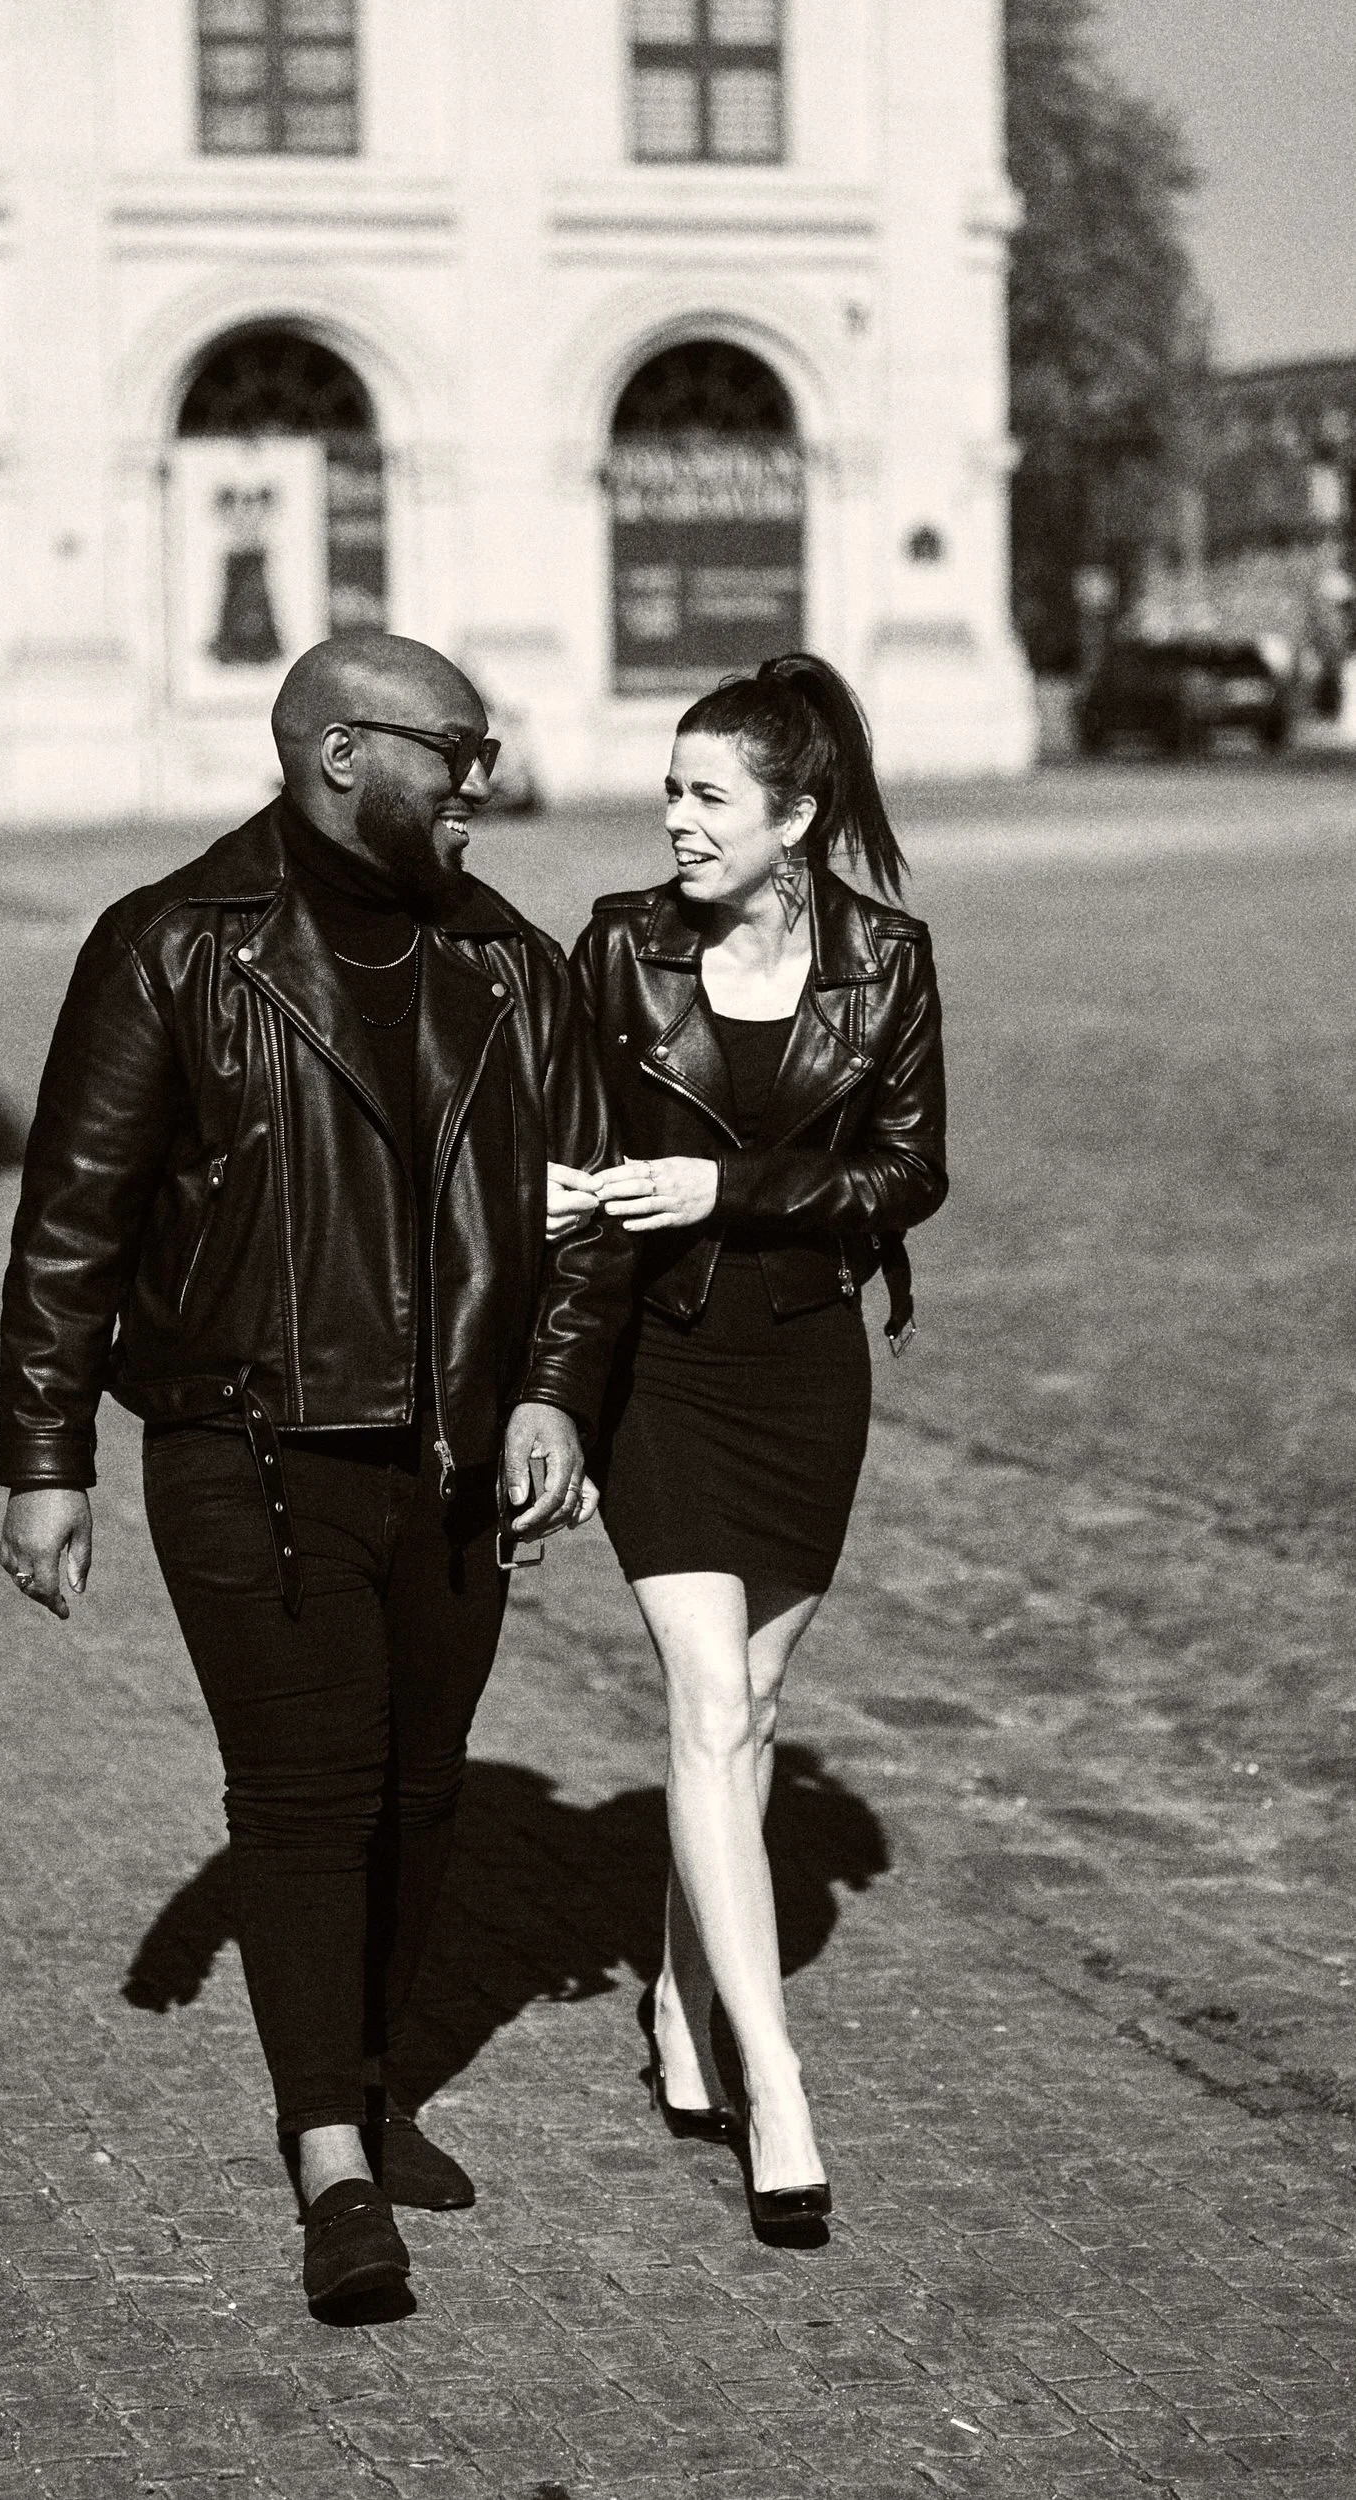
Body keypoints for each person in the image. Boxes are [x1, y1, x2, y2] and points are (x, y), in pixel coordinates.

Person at [0, 633, 626, 2319]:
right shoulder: (170, 947)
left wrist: (553, 1398)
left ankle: (369, 2081)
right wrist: (47, 1462)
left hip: (457, 1467)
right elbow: (73, 1223)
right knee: (305, 1798)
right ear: (342, 753)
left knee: (424, 1791)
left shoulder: (508, 962)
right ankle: (328, 2162)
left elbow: (580, 1215)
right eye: (457, 750)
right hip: (248, 1452)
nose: (481, 782)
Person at [553, 653, 947, 2243]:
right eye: (670, 789)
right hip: (661, 1367)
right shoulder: (617, 947)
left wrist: (736, 1189)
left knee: (755, 1704)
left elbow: (909, 1174)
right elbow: (571, 1171)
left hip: (802, 1373)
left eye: (708, 796)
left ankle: (672, 1995)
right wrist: (551, 1394)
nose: (675, 822)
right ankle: (769, 2077)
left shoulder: (886, 960)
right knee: (709, 1699)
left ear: (796, 816)